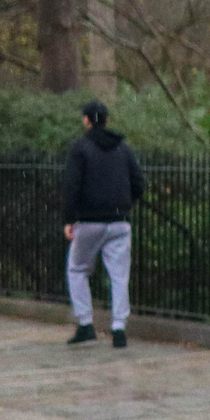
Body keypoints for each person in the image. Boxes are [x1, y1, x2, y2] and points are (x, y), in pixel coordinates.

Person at [62, 100, 143, 349]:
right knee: (119, 276)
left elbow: (71, 186)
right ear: (106, 120)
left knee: (77, 270)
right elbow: (138, 183)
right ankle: (119, 329)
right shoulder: (123, 148)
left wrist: (69, 218)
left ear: (87, 120)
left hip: (89, 221)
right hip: (119, 222)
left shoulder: (81, 148)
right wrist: (125, 203)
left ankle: (86, 324)